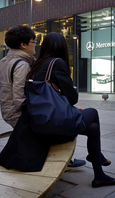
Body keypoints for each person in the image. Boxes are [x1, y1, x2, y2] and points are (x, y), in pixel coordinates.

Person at [0, 32, 115, 188]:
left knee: (93, 128)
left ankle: (99, 172)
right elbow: (72, 98)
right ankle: (97, 163)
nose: (35, 44)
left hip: (39, 121)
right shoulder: (57, 64)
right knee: (93, 113)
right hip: (52, 125)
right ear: (62, 46)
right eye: (33, 41)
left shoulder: (37, 65)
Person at [0, 25, 85, 170]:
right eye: (33, 41)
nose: (35, 45)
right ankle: (60, 162)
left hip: (7, 111)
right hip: (18, 114)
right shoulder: (22, 65)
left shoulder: (5, 61)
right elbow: (21, 99)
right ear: (23, 44)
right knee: (56, 125)